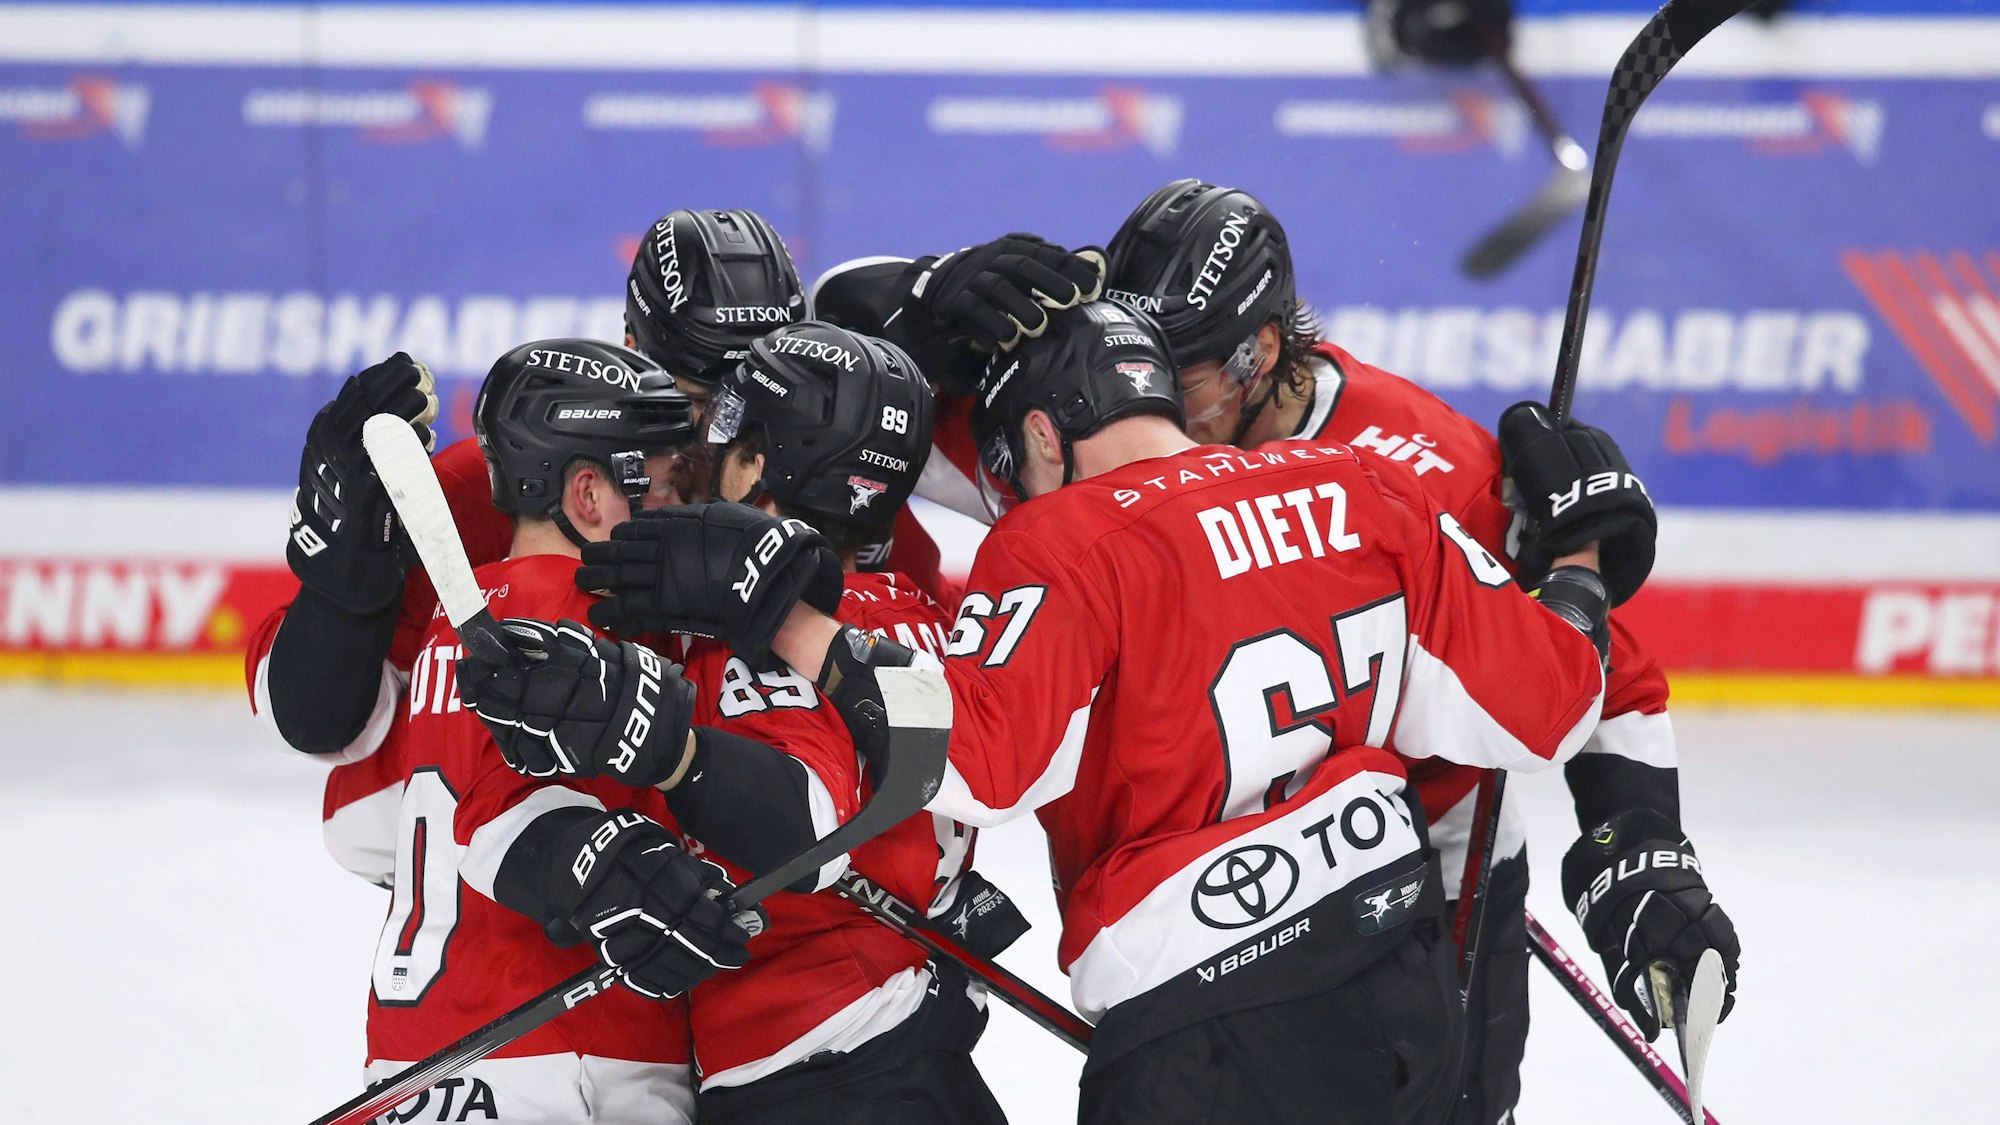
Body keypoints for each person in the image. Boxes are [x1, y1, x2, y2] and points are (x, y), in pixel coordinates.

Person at [578, 301, 1640, 1124]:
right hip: (1404, 990)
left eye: (1007, 462)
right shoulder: (1362, 486)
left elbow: (979, 760)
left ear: (1045, 434)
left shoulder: (1064, 540)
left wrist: (793, 623)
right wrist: (1582, 559)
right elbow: (1551, 705)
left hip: (1203, 1023)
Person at [1101, 179, 1740, 1124]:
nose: (1143, 405)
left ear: (1262, 351)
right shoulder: (1123, 424)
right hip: (1216, 906)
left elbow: (1609, 673)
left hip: (1426, 896)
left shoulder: (1422, 465)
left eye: (1180, 376)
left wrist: (1634, 843)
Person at [502, 321, 1019, 1122]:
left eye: (734, 444)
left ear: (762, 467)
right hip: (917, 1044)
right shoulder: (922, 615)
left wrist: (670, 751)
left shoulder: (767, 631)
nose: (710, 467)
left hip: (823, 1065)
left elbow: (808, 823)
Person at [366, 337, 762, 1123]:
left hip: (420, 1057)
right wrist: (614, 870)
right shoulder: (580, 619)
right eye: (655, 485)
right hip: (574, 1055)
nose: (677, 508)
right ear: (588, 496)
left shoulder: (459, 620)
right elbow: (506, 820)